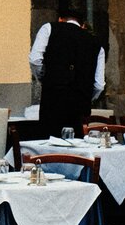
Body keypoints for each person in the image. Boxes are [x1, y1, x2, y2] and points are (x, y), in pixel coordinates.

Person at [29, 7, 104, 138]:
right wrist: (85, 94)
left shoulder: (49, 28)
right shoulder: (97, 44)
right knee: (75, 149)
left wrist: (45, 77)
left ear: (60, 20)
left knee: (48, 144)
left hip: (53, 99)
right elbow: (99, 85)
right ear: (83, 25)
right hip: (78, 106)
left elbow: (35, 60)